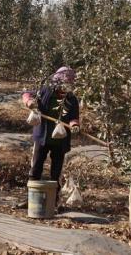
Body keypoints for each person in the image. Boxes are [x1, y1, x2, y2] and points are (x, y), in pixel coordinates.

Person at [22, 66, 80, 204]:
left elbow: (74, 117)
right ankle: (30, 199)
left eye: (69, 83)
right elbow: (27, 94)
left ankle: (53, 201)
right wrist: (29, 102)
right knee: (35, 167)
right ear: (58, 81)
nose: (66, 86)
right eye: (65, 83)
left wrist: (74, 125)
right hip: (42, 137)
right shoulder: (45, 91)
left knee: (56, 172)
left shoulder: (72, 99)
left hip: (60, 141)